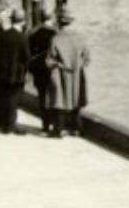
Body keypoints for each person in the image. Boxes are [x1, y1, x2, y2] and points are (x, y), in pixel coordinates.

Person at [0, 10, 31, 133]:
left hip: (1, 72)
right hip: (16, 74)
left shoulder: (1, 35)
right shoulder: (22, 37)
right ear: (23, 21)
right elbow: (26, 57)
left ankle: (0, 121)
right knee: (13, 100)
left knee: (2, 97)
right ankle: (10, 125)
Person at [45, 10, 88, 138]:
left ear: (59, 22)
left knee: (59, 100)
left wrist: (58, 65)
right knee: (76, 99)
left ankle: (58, 130)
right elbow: (86, 58)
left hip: (60, 73)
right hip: (77, 73)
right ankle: (76, 128)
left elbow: (49, 60)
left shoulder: (56, 39)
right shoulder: (79, 38)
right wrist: (78, 65)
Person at [27, 12, 58, 136]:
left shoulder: (33, 33)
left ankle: (45, 125)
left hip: (39, 69)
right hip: (53, 69)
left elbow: (29, 52)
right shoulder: (55, 34)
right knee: (55, 97)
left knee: (42, 96)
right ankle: (55, 123)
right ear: (52, 19)